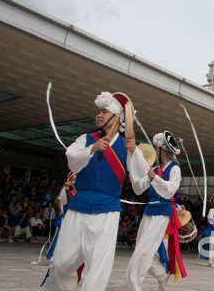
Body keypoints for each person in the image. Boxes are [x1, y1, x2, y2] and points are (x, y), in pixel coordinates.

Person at [44, 92, 142, 291]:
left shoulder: (127, 145)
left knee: (97, 264)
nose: (99, 115)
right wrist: (92, 148)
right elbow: (72, 160)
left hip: (107, 210)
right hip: (78, 205)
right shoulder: (86, 139)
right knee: (62, 260)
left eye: (104, 112)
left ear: (116, 117)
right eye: (98, 112)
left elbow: (140, 184)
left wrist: (134, 153)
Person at [125, 131, 186, 291]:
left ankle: (134, 286)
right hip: (150, 211)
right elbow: (138, 188)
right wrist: (134, 161)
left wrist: (154, 177)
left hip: (164, 212)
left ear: (160, 149)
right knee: (141, 249)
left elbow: (170, 191)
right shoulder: (155, 168)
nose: (154, 150)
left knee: (142, 252)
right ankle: (160, 273)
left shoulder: (175, 169)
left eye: (156, 147)